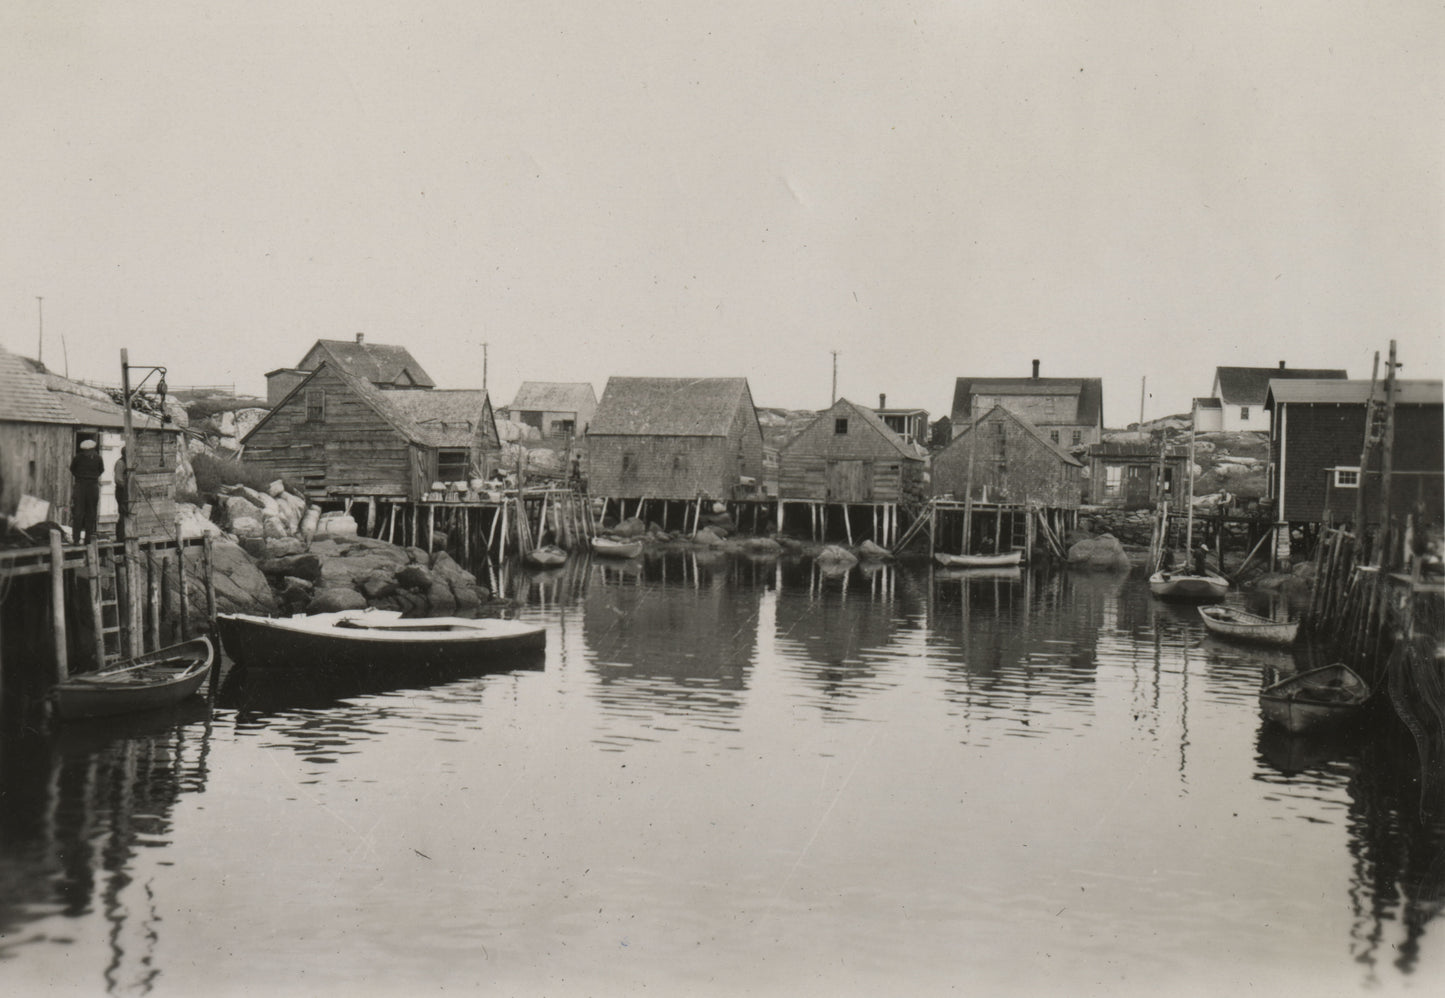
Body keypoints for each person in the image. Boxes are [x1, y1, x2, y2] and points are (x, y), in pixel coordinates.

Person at [69, 438, 104, 543]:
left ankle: (88, 539)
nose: (87, 452)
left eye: (90, 450)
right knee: (78, 513)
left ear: (93, 449)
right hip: (80, 485)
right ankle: (76, 539)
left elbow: (101, 470)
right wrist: (81, 478)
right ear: (83, 450)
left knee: (91, 513)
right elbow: (72, 469)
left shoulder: (98, 458)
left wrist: (92, 478)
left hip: (92, 486)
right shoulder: (78, 458)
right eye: (85, 450)